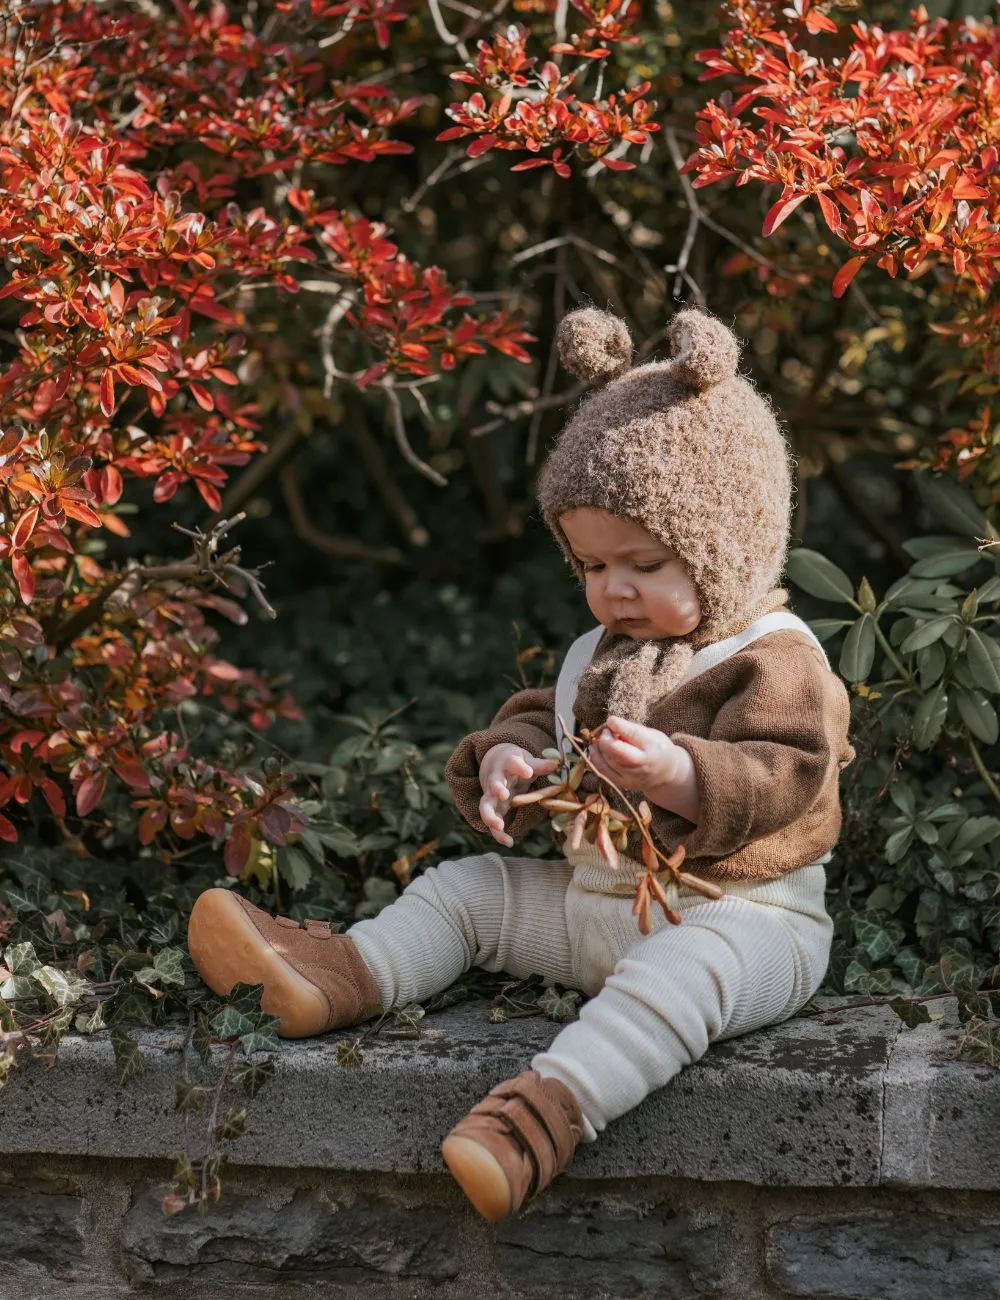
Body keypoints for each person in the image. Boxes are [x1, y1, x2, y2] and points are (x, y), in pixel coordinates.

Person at [187, 305, 854, 1224]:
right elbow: (540, 719)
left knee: (681, 976)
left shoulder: (775, 658)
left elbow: (793, 772)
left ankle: (547, 1112)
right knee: (468, 892)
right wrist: (511, 759)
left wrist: (682, 776)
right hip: (595, 914)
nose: (611, 588)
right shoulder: (601, 651)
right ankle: (340, 975)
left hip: (742, 924)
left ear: (728, 544)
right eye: (588, 564)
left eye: (645, 562)